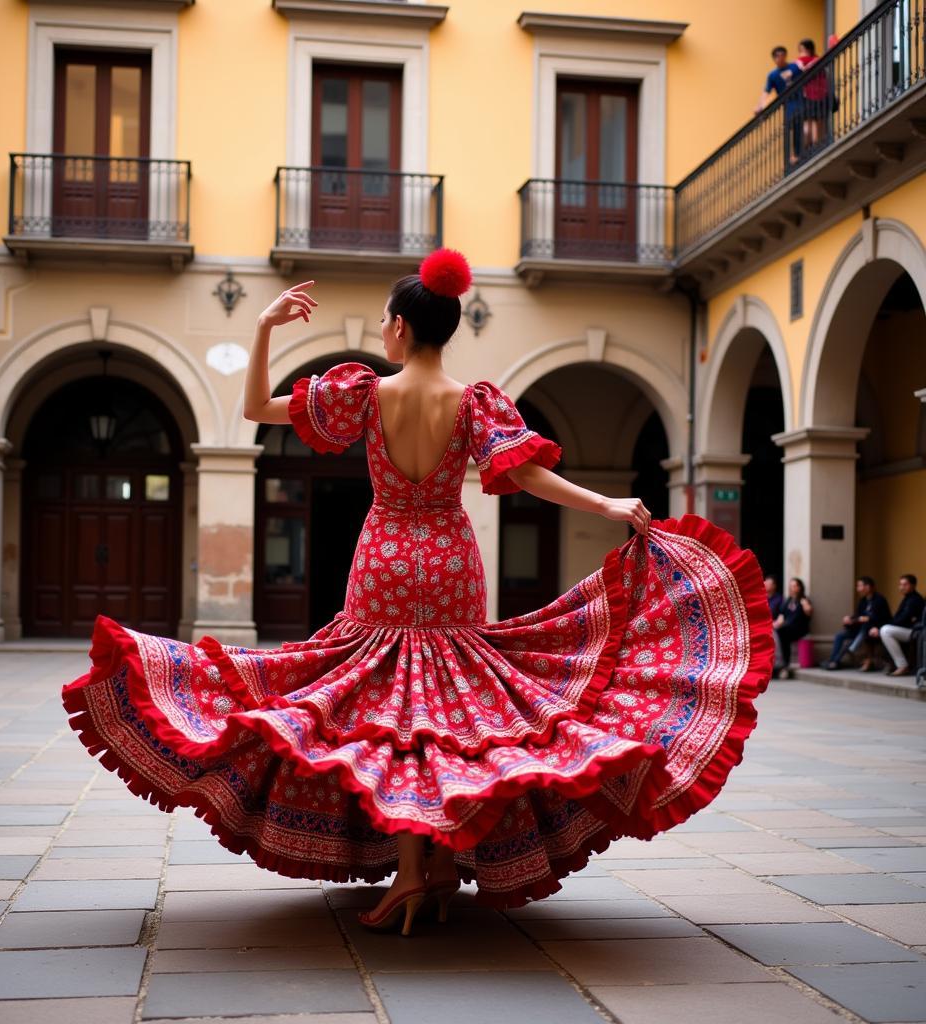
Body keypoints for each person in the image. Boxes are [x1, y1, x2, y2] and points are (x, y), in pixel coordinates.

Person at [61, 249, 774, 934]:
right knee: (447, 708)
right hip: (452, 559)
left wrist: (263, 326)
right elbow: (528, 477)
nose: (379, 328)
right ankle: (430, 864)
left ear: (402, 327)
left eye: (382, 319)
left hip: (384, 557)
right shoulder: (473, 404)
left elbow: (254, 409)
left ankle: (412, 870)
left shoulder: (366, 396)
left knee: (391, 705)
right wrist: (611, 505)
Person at [821, 575, 891, 671]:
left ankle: (850, 652)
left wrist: (866, 621)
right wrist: (849, 619)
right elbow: (857, 615)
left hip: (873, 629)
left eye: (859, 586)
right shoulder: (863, 600)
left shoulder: (879, 600)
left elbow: (880, 618)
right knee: (840, 636)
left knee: (866, 627)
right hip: (859, 629)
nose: (858, 589)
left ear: (868, 587)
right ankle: (833, 660)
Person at [756, 45, 803, 165]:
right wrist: (760, 106)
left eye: (782, 55)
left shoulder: (795, 67)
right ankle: (794, 155)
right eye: (777, 56)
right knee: (791, 125)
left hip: (801, 99)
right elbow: (766, 91)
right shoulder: (773, 75)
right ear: (774, 59)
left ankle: (799, 153)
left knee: (798, 124)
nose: (780, 58)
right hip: (789, 103)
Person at [873, 574, 925, 677]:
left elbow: (903, 619)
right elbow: (898, 619)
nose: (902, 587)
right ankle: (892, 663)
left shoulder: (915, 599)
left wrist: (879, 629)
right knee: (883, 630)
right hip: (907, 629)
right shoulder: (907, 598)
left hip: (915, 632)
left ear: (913, 585)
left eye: (905, 584)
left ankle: (902, 666)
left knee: (885, 630)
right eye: (900, 584)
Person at [773, 577, 813, 679]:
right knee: (778, 632)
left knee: (782, 633)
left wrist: (806, 606)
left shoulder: (803, 600)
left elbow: (809, 613)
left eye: (794, 586)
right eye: (791, 586)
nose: (792, 588)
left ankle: (784, 663)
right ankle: (779, 663)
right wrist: (773, 626)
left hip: (799, 629)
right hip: (787, 628)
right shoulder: (787, 601)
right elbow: (781, 618)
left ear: (800, 588)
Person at [796, 38, 830, 156]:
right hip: (819, 95)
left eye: (802, 50)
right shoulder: (818, 61)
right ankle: (815, 147)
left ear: (808, 50)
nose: (800, 53)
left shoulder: (802, 61)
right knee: (816, 122)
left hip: (810, 96)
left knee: (810, 122)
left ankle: (808, 148)